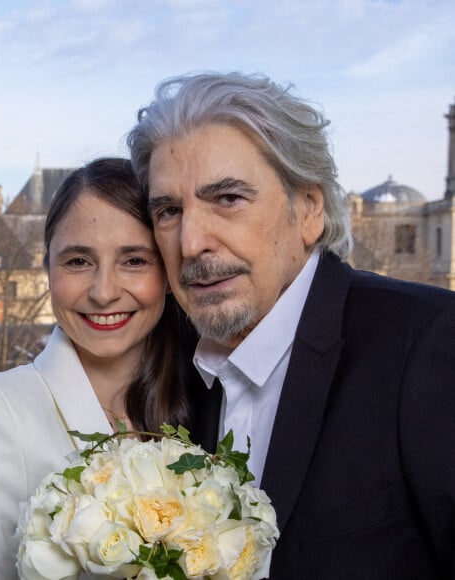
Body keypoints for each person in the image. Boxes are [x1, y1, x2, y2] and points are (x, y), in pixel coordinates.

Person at [127, 72, 455, 579]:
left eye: (228, 199)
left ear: (308, 209)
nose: (191, 242)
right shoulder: (173, 373)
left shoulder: (428, 343)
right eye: (169, 211)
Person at [0, 157, 199, 579]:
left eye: (134, 260)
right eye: (78, 261)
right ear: (47, 267)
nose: (103, 292)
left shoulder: (204, 400)